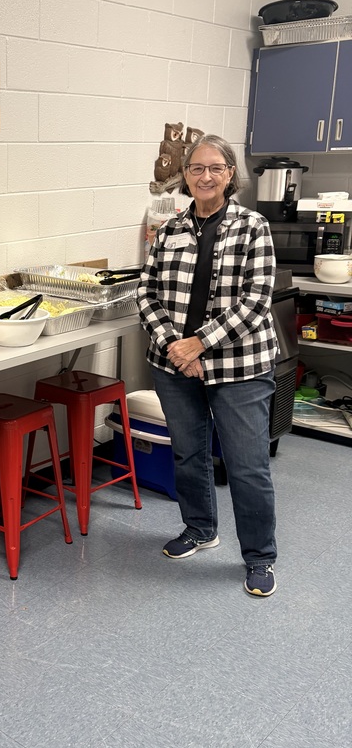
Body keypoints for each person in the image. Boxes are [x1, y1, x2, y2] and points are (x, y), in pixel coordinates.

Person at [136, 134, 279, 597]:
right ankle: (200, 529)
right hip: (174, 363)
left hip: (240, 366)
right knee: (188, 453)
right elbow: (146, 292)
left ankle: (260, 557)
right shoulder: (171, 229)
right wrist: (175, 346)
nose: (205, 176)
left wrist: (200, 344)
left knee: (247, 465)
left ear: (230, 175)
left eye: (215, 168)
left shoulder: (253, 227)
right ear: (186, 176)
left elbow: (256, 300)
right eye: (197, 168)